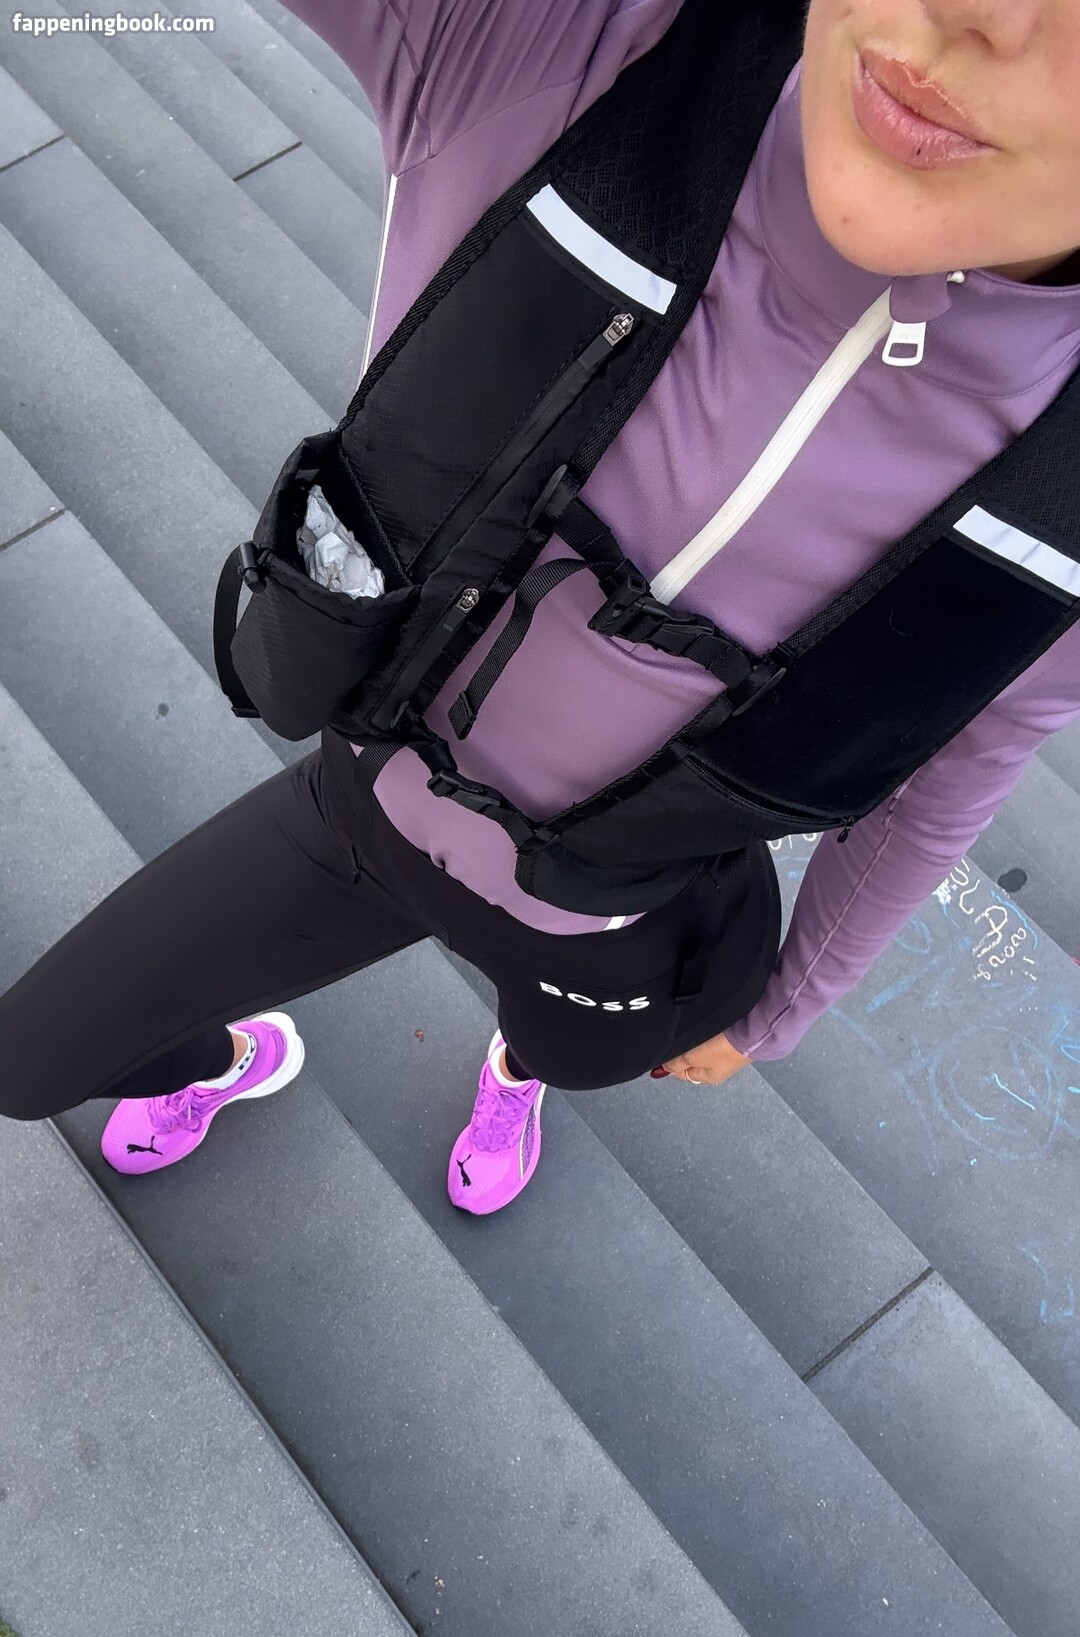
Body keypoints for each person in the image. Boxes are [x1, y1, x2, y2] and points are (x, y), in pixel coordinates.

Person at [1, 0, 1078, 1218]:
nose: (981, 9)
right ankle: (227, 1061)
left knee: (572, 1048)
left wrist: (779, 1014)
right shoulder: (576, 59)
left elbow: (944, 780)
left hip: (615, 923)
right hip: (364, 807)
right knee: (29, 1061)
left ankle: (519, 1071)